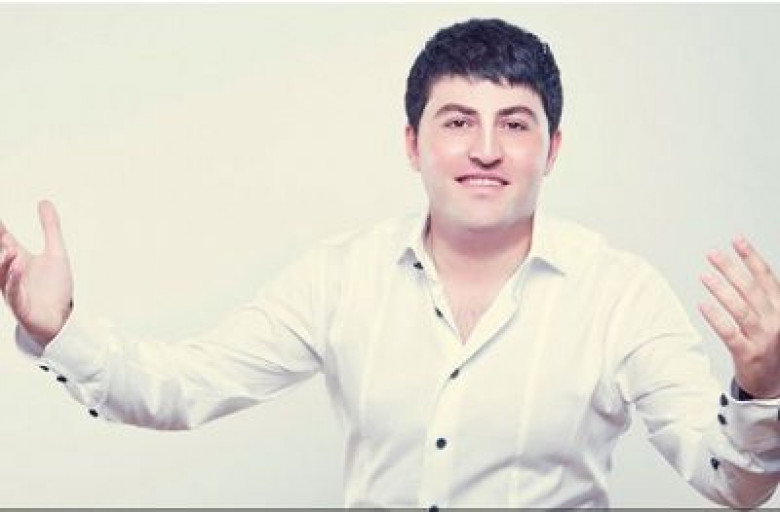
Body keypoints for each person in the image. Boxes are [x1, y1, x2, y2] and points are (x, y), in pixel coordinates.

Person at [1, 18, 779, 509]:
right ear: (412, 144)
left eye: (515, 124)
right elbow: (182, 389)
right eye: (457, 122)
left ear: (552, 149)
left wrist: (763, 388)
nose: (484, 149)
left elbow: (732, 480)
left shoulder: (620, 294)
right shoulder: (340, 277)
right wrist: (57, 329)